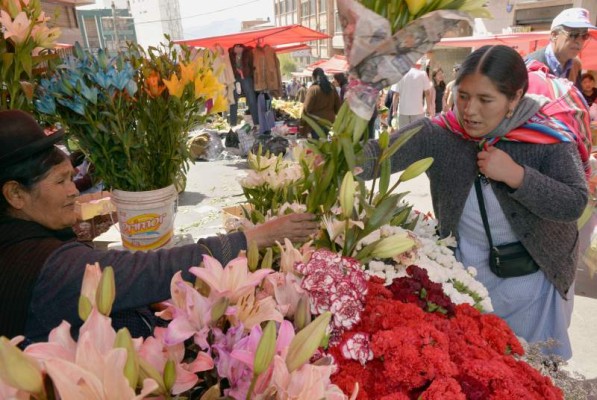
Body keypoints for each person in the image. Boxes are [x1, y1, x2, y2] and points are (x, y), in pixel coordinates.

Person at [0, 110, 320, 343]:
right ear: (15, 194)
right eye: (61, 181)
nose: (74, 191)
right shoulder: (47, 268)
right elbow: (150, 271)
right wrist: (257, 237)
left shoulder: (21, 244)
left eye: (72, 178)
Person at [360, 45, 589, 359]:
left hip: (533, 282)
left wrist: (518, 176)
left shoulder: (545, 137)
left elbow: (574, 202)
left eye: (485, 100)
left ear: (514, 98)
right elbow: (376, 156)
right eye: (464, 96)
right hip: (464, 281)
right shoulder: (440, 133)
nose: (469, 110)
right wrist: (329, 157)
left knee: (530, 370)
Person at [525, 7, 596, 87]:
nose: (579, 41)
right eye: (573, 34)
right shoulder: (529, 65)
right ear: (554, 35)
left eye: (584, 35)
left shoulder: (576, 64)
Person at [301, 67, 341, 139]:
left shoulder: (313, 89)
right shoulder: (332, 88)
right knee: (329, 145)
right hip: (330, 122)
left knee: (318, 146)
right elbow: (338, 106)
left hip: (316, 124)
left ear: (314, 77)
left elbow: (306, 109)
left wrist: (302, 124)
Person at [391, 61, 433, 129]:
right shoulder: (422, 74)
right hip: (418, 110)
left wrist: (394, 110)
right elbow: (427, 93)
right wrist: (428, 108)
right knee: (417, 134)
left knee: (403, 135)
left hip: (403, 110)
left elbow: (396, 95)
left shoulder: (400, 75)